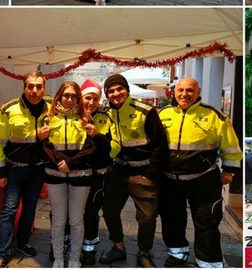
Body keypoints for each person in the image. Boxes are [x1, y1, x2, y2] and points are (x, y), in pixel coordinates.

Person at [157, 77, 242, 267]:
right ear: (174, 92)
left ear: (198, 91)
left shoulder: (214, 116)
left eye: (189, 90)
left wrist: (229, 171)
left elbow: (231, 146)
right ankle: (177, 255)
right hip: (170, 180)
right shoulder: (162, 114)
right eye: (180, 90)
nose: (184, 94)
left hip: (203, 179)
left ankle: (209, 262)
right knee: (172, 220)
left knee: (207, 223)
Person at [99, 74, 168, 268]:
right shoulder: (107, 113)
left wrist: (151, 173)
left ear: (127, 90)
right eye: (111, 91)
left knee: (147, 218)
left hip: (143, 172)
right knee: (109, 210)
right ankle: (118, 247)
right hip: (118, 171)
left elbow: (159, 144)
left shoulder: (146, 111)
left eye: (119, 89)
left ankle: (144, 253)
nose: (115, 93)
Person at [0, 71, 51, 268]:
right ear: (24, 87)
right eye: (30, 86)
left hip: (38, 170)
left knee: (30, 209)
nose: (34, 90)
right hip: (14, 170)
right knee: (8, 211)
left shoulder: (51, 109)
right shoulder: (8, 109)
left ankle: (23, 242)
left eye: (38, 86)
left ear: (44, 88)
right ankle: (2, 253)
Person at [42, 81, 95, 268]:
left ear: (79, 98)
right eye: (66, 95)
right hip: (54, 174)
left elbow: (91, 147)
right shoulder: (48, 118)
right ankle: (58, 258)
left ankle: (74, 259)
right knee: (58, 219)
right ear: (59, 96)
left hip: (81, 175)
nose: (70, 99)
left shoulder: (86, 118)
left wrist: (72, 163)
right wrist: (60, 163)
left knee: (76, 219)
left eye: (74, 96)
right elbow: (45, 146)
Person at [78, 80, 117, 266]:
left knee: (91, 212)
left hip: (98, 174)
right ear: (80, 97)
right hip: (76, 173)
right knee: (73, 212)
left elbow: (112, 147)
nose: (91, 102)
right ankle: (66, 243)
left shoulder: (106, 117)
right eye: (87, 98)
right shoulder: (71, 115)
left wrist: (97, 135)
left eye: (95, 98)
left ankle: (89, 247)